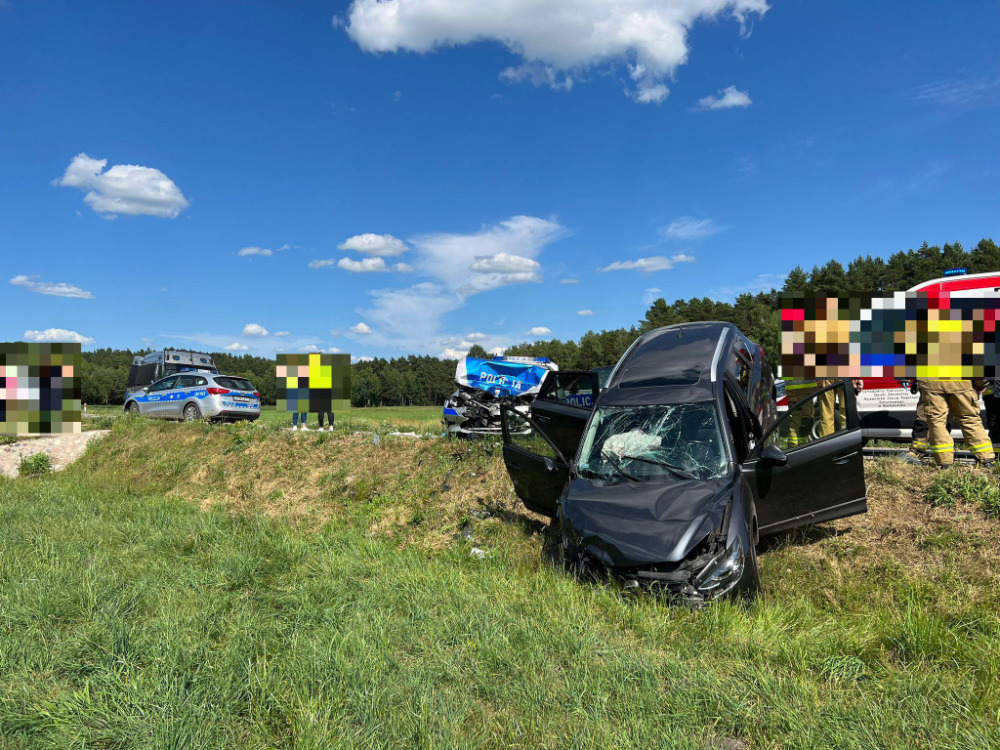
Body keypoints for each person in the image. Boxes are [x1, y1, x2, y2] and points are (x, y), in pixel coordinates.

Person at [918, 378, 996, 469]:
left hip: (932, 382)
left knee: (937, 422)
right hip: (960, 382)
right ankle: (987, 459)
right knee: (970, 419)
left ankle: (944, 463)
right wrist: (981, 383)